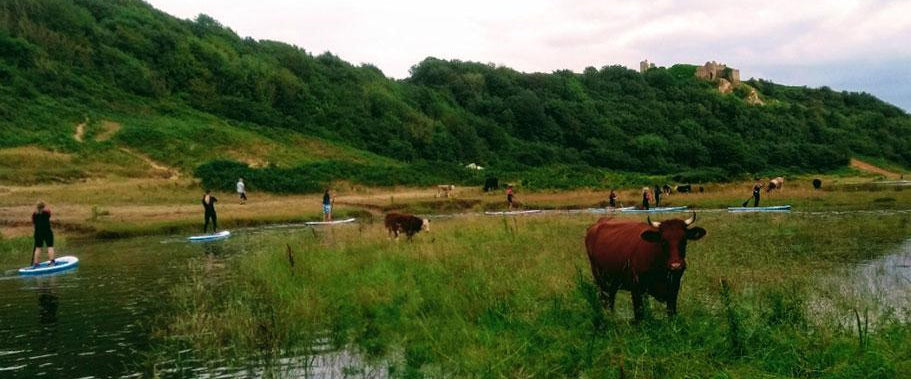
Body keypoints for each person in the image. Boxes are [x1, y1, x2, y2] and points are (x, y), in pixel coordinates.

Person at [32, 201, 55, 267]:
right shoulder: (46, 213)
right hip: (47, 231)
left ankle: (36, 263)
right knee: (50, 246)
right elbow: (49, 213)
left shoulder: (34, 214)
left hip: (38, 232)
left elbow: (34, 223)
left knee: (38, 248)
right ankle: (52, 262)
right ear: (44, 206)